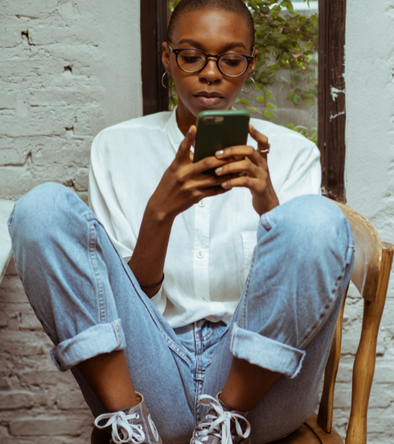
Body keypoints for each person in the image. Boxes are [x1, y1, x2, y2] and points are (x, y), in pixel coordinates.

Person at [8, 1, 355, 443]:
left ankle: (222, 424)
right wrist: (161, 212)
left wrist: (268, 201)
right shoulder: (116, 148)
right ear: (167, 58)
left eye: (230, 60)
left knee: (316, 219)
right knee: (40, 209)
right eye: (192, 56)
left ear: (249, 66)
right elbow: (118, 304)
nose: (211, 73)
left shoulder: (293, 154)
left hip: (256, 389)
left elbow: (296, 293)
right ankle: (132, 429)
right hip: (149, 381)